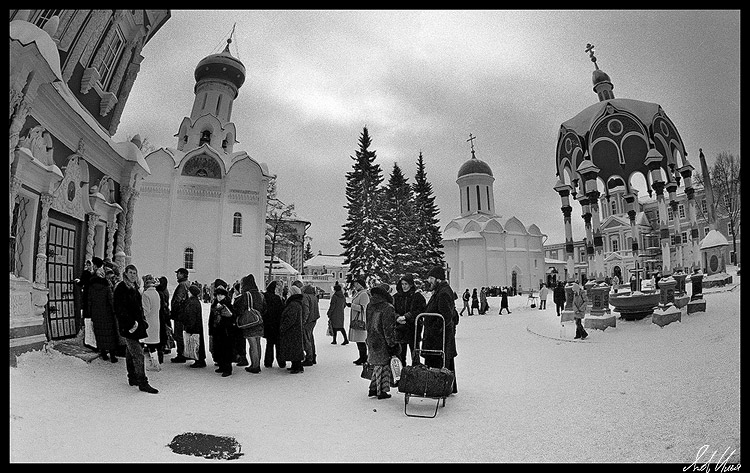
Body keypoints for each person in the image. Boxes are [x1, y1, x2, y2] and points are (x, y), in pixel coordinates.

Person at [113, 264, 158, 394]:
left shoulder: (134, 287)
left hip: (136, 325)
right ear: (126, 273)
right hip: (129, 326)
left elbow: (138, 307)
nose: (133, 275)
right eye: (130, 273)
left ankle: (132, 377)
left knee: (130, 351)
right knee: (138, 353)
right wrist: (131, 324)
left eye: (135, 273)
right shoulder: (121, 288)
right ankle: (143, 382)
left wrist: (142, 322)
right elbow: (119, 309)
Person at [423, 266, 458, 394]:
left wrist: (434, 329)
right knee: (444, 362)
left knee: (440, 362)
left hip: (439, 338)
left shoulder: (443, 293)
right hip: (439, 337)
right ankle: (447, 386)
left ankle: (439, 388)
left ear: (438, 279)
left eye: (431, 278)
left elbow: (445, 316)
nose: (429, 281)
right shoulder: (440, 291)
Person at [365, 283, 399, 399]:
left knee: (376, 364)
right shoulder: (387, 307)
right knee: (383, 365)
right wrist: (392, 344)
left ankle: (373, 388)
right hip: (382, 340)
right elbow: (388, 328)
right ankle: (381, 391)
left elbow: (368, 324)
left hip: (372, 338)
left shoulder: (370, 305)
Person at [234, 274, 266, 373]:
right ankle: (257, 364)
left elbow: (239, 308)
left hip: (250, 322)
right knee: (258, 343)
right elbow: (264, 308)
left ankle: (254, 366)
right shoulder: (260, 294)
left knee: (252, 345)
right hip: (259, 321)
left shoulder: (246, 295)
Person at [392, 274, 426, 367]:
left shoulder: (417, 296)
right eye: (402, 284)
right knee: (400, 354)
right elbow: (392, 310)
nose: (404, 286)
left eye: (406, 284)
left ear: (411, 284)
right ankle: (401, 374)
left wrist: (407, 316)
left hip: (413, 328)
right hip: (400, 328)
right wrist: (397, 317)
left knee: (414, 353)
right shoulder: (396, 297)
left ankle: (416, 372)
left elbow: (420, 310)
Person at [87, 264, 118, 363]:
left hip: (96, 314)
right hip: (107, 314)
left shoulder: (91, 288)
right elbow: (111, 300)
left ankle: (104, 354)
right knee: (110, 334)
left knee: (99, 333)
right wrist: (114, 311)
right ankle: (113, 356)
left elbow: (89, 302)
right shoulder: (106, 287)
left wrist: (90, 313)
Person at [210, 281, 235, 377]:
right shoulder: (215, 304)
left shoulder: (228, 305)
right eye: (218, 295)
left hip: (226, 331)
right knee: (218, 349)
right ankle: (221, 365)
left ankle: (227, 369)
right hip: (217, 330)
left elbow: (231, 316)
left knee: (226, 350)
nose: (219, 297)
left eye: (221, 295)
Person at [279, 284, 305, 374]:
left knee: (294, 348)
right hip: (295, 329)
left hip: (292, 330)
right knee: (295, 348)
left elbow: (290, 318)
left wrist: (283, 327)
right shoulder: (296, 303)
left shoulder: (293, 304)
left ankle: (297, 366)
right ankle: (296, 365)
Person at [182, 284, 207, 368]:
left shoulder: (192, 302)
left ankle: (199, 360)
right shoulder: (196, 301)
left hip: (194, 326)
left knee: (196, 343)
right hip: (197, 326)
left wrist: (189, 326)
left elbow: (191, 316)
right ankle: (200, 359)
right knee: (198, 342)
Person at [263, 280, 286, 368]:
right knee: (278, 344)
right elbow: (281, 311)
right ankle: (281, 362)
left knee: (269, 344)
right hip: (276, 323)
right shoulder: (277, 298)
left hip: (268, 323)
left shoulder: (265, 296)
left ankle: (268, 362)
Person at [170, 267, 191, 363]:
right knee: (182, 334)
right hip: (185, 314)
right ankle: (184, 352)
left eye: (178, 273)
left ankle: (181, 354)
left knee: (179, 334)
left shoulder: (182, 285)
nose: (176, 275)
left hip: (180, 314)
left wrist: (174, 311)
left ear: (182, 274)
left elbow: (178, 300)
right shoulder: (187, 283)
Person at [140, 274, 162, 366]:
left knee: (148, 344)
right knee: (153, 345)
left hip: (148, 322)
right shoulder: (156, 293)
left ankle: (154, 364)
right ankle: (156, 362)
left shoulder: (146, 294)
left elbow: (146, 310)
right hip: (156, 321)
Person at [298, 282, 320, 367]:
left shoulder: (305, 297)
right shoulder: (314, 297)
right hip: (313, 319)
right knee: (310, 338)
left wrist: (303, 321)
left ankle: (309, 358)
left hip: (308, 321)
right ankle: (313, 356)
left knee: (306, 339)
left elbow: (306, 310)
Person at [349, 277, 370, 365]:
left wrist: (352, 305)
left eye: (356, 284)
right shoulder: (359, 293)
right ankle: (362, 357)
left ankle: (363, 357)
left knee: (361, 340)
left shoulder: (364, 294)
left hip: (361, 320)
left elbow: (364, 307)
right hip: (357, 319)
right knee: (359, 340)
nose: (355, 286)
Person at [155, 276, 171, 361]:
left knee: (163, 331)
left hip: (162, 313)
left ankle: (163, 346)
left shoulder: (161, 291)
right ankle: (166, 346)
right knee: (165, 330)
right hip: (165, 313)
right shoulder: (165, 290)